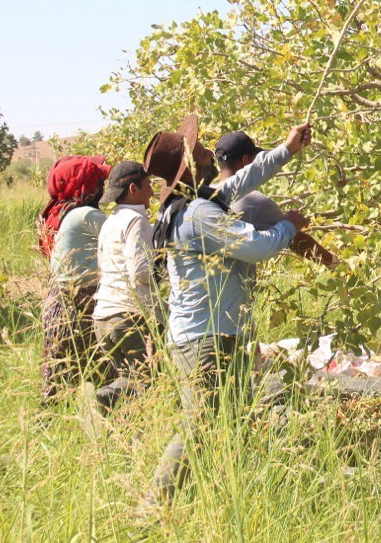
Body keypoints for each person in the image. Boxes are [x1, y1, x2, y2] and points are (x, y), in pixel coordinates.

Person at [142, 114, 314, 506]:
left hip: (211, 331)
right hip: (207, 337)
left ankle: (218, 499)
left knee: (224, 419)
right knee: (199, 424)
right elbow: (255, 247)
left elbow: (240, 181)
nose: (208, 152)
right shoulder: (198, 213)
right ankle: (153, 506)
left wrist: (286, 150)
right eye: (200, 150)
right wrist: (287, 227)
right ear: (189, 165)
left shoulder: (192, 203)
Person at [37, 155, 110, 405]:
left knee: (57, 380)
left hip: (61, 301)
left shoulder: (59, 212)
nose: (104, 187)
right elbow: (124, 233)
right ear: (89, 187)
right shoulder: (85, 215)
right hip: (79, 304)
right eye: (100, 182)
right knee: (103, 374)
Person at [212, 129, 337, 268]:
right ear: (246, 161)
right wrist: (335, 264)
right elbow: (296, 240)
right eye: (256, 159)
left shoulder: (206, 199)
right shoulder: (253, 201)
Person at [92, 160, 157, 410]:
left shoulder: (110, 222)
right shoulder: (136, 221)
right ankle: (103, 398)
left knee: (130, 382)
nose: (151, 191)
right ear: (133, 189)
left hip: (104, 317)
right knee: (146, 382)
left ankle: (120, 429)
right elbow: (141, 272)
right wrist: (167, 273)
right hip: (128, 315)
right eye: (148, 185)